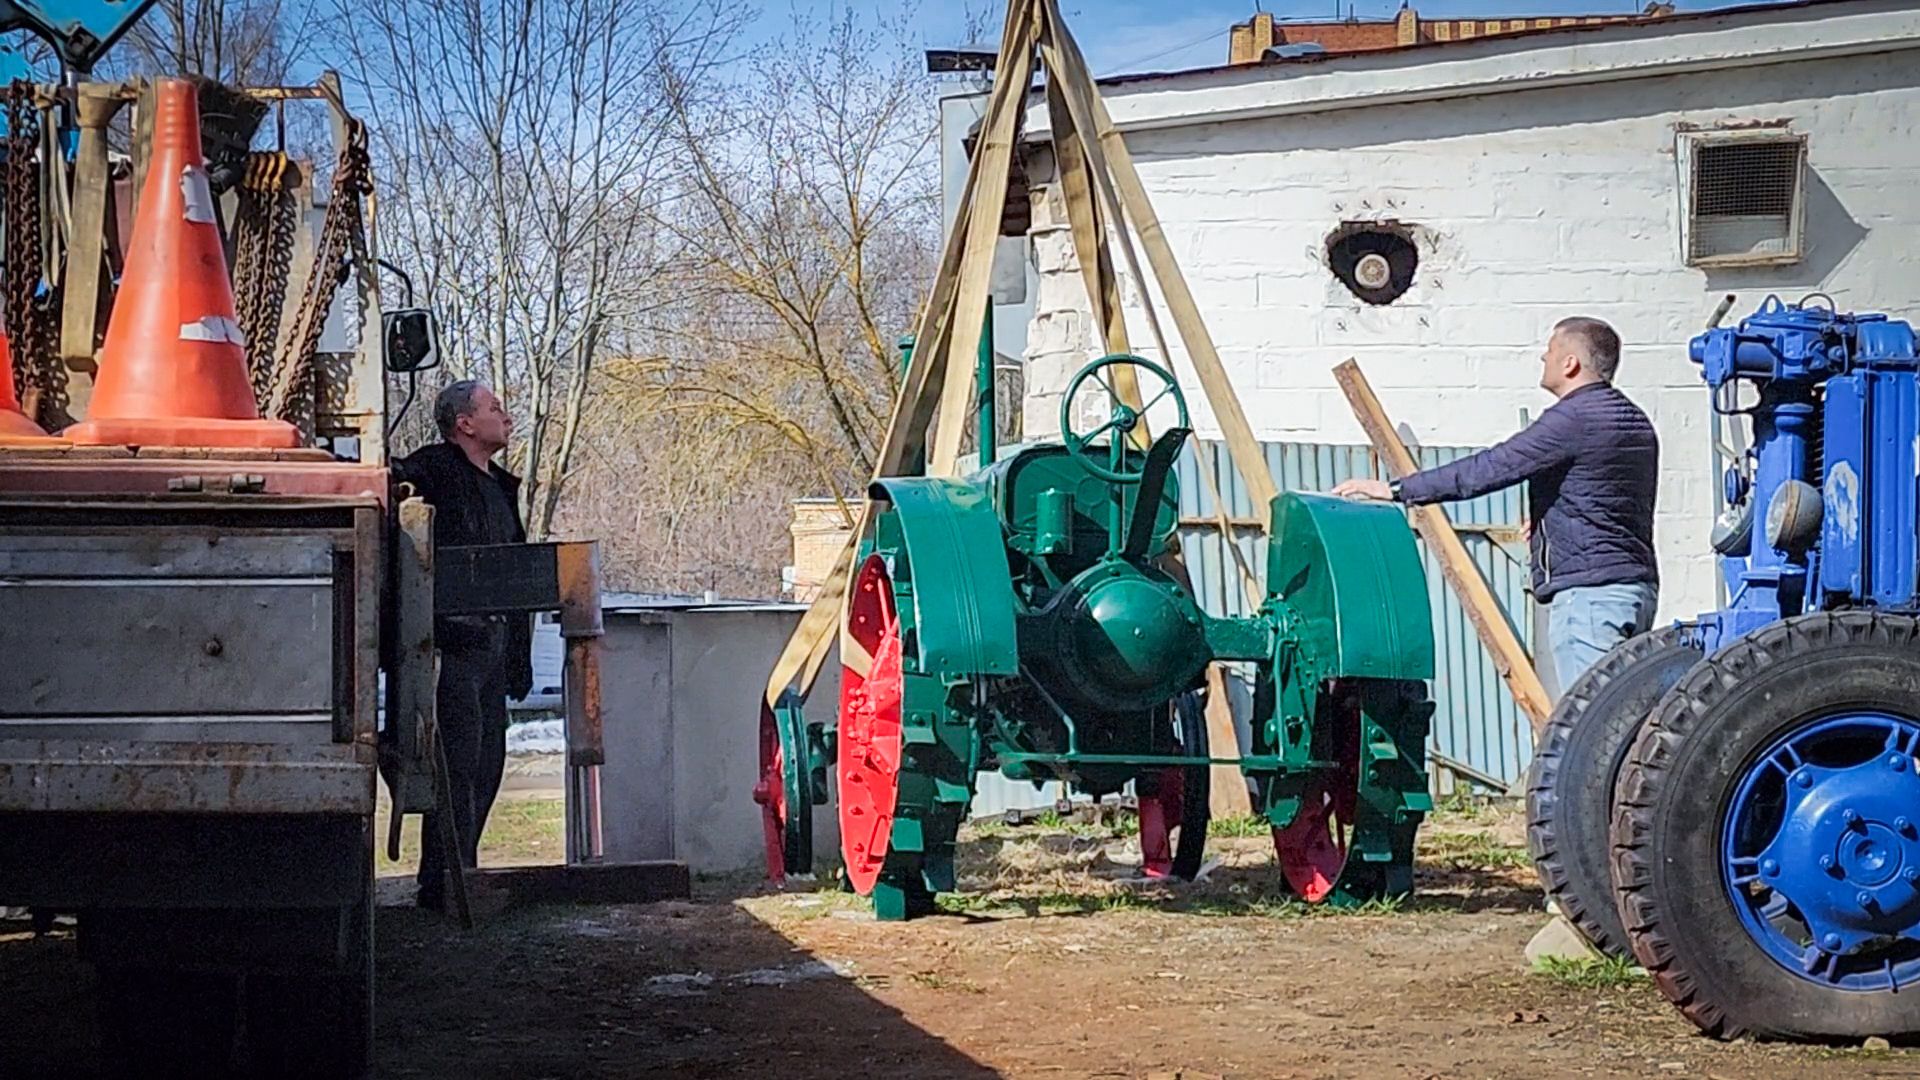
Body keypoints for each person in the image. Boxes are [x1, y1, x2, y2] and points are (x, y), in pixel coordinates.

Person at [1331, 317, 1660, 690]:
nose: (1544, 357)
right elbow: (1609, 498)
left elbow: (1489, 468)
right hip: (1636, 589)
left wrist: (1396, 490)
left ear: (1570, 363)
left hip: (1590, 598)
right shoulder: (1635, 421)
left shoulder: (1574, 419)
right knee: (1626, 710)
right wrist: (1550, 523)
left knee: (1593, 718)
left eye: (1551, 349)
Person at [394, 380, 534, 910]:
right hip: (452, 648)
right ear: (465, 424)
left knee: (488, 766)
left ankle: (461, 874)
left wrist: (517, 656)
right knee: (457, 766)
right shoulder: (433, 469)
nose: (507, 416)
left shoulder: (500, 487)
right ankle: (441, 882)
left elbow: (511, 573)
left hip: (493, 648)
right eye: (494, 408)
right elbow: (394, 486)